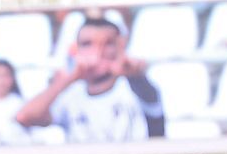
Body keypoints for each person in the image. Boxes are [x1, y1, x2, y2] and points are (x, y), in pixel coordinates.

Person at [14, 14, 163, 144]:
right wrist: (70, 77)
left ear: (120, 46)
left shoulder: (135, 85)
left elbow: (150, 100)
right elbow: (24, 117)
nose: (98, 52)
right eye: (87, 44)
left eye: (108, 44)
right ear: (76, 50)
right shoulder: (70, 95)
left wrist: (134, 74)